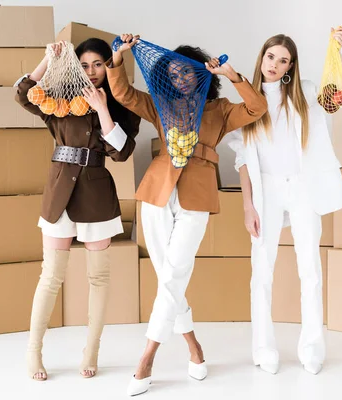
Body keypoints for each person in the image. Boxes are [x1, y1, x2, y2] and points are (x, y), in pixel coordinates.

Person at [107, 33, 268, 396]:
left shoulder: (221, 109)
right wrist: (119, 58)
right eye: (174, 73)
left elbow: (257, 108)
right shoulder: (159, 103)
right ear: (166, 76)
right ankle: (194, 346)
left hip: (197, 191)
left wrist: (232, 74)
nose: (181, 78)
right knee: (168, 275)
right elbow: (123, 94)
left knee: (175, 271)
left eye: (188, 72)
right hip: (157, 192)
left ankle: (147, 357)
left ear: (201, 76)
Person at [227, 27, 342, 375]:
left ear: (290, 66)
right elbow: (242, 158)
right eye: (271, 56)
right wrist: (247, 205)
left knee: (309, 269)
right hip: (266, 190)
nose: (275, 64)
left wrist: (337, 53)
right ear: (262, 57)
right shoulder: (247, 100)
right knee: (262, 270)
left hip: (302, 187)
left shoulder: (305, 93)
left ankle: (312, 348)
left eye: (283, 60)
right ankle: (263, 348)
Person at [14, 38, 141, 381]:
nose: (92, 71)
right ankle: (33, 352)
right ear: (75, 67)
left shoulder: (121, 102)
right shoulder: (59, 99)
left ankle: (91, 351)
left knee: (98, 278)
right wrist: (47, 59)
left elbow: (122, 152)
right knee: (51, 276)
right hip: (59, 194)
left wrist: (101, 108)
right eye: (84, 65)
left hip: (97, 196)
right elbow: (23, 94)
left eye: (98, 64)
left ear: (107, 66)